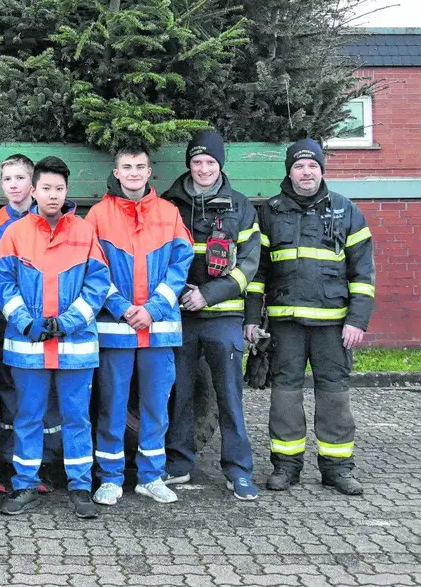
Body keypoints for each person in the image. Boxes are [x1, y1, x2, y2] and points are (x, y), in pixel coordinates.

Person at [253, 139, 377, 496]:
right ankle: (286, 467)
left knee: (334, 396)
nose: (306, 173)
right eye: (299, 167)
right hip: (285, 323)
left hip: (333, 325)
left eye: (312, 167)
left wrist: (357, 320)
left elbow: (363, 273)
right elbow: (258, 272)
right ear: (289, 171)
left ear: (322, 170)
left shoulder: (346, 210)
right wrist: (251, 319)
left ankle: (337, 469)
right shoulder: (271, 212)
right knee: (285, 396)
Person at [0, 156, 112, 519]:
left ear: (66, 191)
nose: (53, 195)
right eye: (46, 188)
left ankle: (79, 486)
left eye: (59, 189)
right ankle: (25, 483)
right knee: (29, 416)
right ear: (33, 191)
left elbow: (98, 282)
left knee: (77, 417)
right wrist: (27, 323)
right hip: (28, 345)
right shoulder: (15, 233)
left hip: (74, 344)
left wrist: (69, 321)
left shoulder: (83, 230)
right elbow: (2, 281)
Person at [85, 142, 194, 506]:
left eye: (140, 167)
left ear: (150, 172)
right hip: (117, 329)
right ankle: (111, 478)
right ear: (116, 172)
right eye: (127, 167)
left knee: (155, 407)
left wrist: (154, 308)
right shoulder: (98, 215)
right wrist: (122, 307)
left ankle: (151, 476)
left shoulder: (169, 213)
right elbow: (92, 268)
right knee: (112, 406)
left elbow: (181, 264)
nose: (133, 172)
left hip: (158, 328)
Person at [161, 130, 262, 500]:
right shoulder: (169, 204)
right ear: (188, 164)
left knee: (229, 398)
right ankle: (178, 464)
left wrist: (208, 295)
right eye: (197, 161)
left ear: (220, 164)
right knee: (179, 394)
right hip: (180, 315)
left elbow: (248, 266)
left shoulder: (241, 206)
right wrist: (181, 295)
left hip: (224, 318)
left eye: (210, 162)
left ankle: (239, 471)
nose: (203, 168)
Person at [0, 153, 60, 493]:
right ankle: (10, 463)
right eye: (7, 179)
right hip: (7, 320)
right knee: (10, 390)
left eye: (19, 178)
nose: (13, 185)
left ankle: (48, 464)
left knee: (47, 392)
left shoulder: (51, 217)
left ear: (33, 183)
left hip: (47, 320)